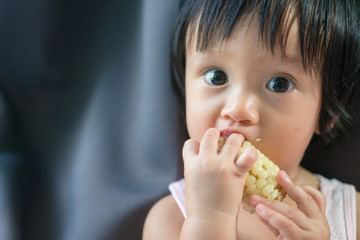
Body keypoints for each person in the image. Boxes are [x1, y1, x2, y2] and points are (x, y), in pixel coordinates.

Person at [143, 0, 360, 239]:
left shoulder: (353, 214)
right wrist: (209, 220)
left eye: (280, 84)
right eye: (216, 76)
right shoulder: (171, 219)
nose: (237, 109)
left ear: (330, 111)